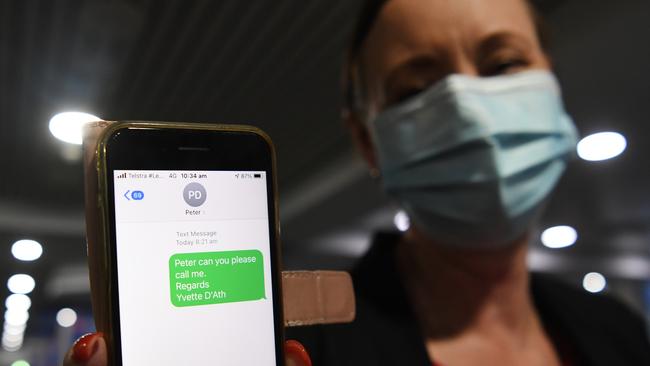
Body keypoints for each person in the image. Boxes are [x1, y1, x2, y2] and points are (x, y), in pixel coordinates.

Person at [65, 0, 650, 365]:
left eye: (502, 64)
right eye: (416, 88)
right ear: (369, 141)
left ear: (553, 83)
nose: (471, 112)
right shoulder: (306, 351)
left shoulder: (618, 331)